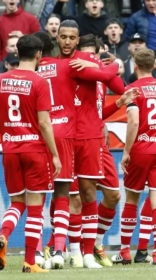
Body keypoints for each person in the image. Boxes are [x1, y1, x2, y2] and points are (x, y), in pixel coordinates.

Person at [32, 31, 128, 269]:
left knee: (101, 194)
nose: (67, 42)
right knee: (67, 195)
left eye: (93, 54)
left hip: (93, 138)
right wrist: (115, 63)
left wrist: (103, 69)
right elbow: (111, 74)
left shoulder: (90, 68)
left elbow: (118, 85)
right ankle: (65, 248)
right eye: (62, 37)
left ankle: (89, 246)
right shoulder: (72, 66)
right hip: (69, 136)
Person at [0, 34, 61, 273]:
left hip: (10, 150)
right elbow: (44, 123)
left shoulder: (0, 79)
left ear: (17, 53)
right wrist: (54, 154)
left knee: (16, 203)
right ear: (39, 54)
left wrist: (10, 133)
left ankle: (3, 235)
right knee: (36, 207)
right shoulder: (41, 82)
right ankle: (30, 261)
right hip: (35, 150)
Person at [112, 49, 156, 266]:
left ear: (135, 66)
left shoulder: (133, 89)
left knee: (131, 200)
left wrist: (126, 152)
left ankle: (125, 252)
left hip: (141, 149)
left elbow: (134, 122)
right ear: (153, 65)